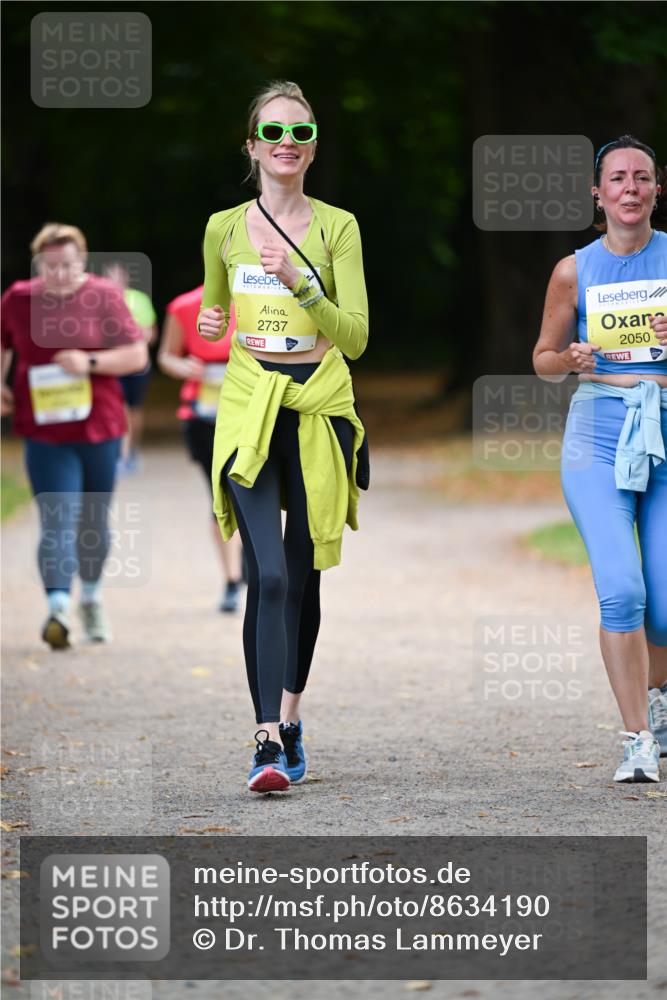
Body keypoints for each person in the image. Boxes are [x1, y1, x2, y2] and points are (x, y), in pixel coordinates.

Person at [197, 80, 368, 793]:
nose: (286, 145)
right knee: (266, 573)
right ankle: (265, 742)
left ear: (313, 146)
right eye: (274, 133)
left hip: (317, 407)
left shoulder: (338, 227)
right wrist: (211, 324)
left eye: (300, 135)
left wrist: (302, 285)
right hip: (248, 408)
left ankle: (291, 718)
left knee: (302, 577)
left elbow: (354, 338)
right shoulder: (222, 227)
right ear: (252, 146)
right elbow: (213, 307)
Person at [533, 135, 667, 782]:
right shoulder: (572, 269)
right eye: (617, 178)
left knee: (664, 602)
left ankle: (658, 699)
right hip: (597, 428)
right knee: (621, 590)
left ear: (655, 190)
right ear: (598, 193)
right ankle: (636, 738)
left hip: (665, 424)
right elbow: (542, 360)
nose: (630, 188)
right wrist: (569, 359)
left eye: (641, 177)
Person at [0, 223, 148, 647]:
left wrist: (90, 362)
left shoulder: (103, 295)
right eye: (50, 267)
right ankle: (58, 608)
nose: (60, 275)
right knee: (56, 518)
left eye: (67, 266)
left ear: (82, 261)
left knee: (93, 520)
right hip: (44, 430)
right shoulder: (18, 298)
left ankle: (92, 598)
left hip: (98, 427)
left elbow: (136, 356)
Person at [158, 284, 244, 612]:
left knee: (254, 490)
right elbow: (166, 355)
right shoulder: (184, 305)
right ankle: (232, 580)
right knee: (221, 494)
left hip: (253, 414)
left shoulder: (262, 297)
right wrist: (183, 367)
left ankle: (249, 560)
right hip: (203, 416)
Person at [103, 262, 157, 475]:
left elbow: (150, 333)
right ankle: (121, 455)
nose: (115, 281)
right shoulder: (101, 299)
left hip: (137, 363)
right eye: (111, 276)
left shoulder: (138, 299)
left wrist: (136, 343)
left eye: (119, 277)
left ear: (125, 279)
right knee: (120, 407)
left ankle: (131, 451)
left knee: (133, 409)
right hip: (113, 363)